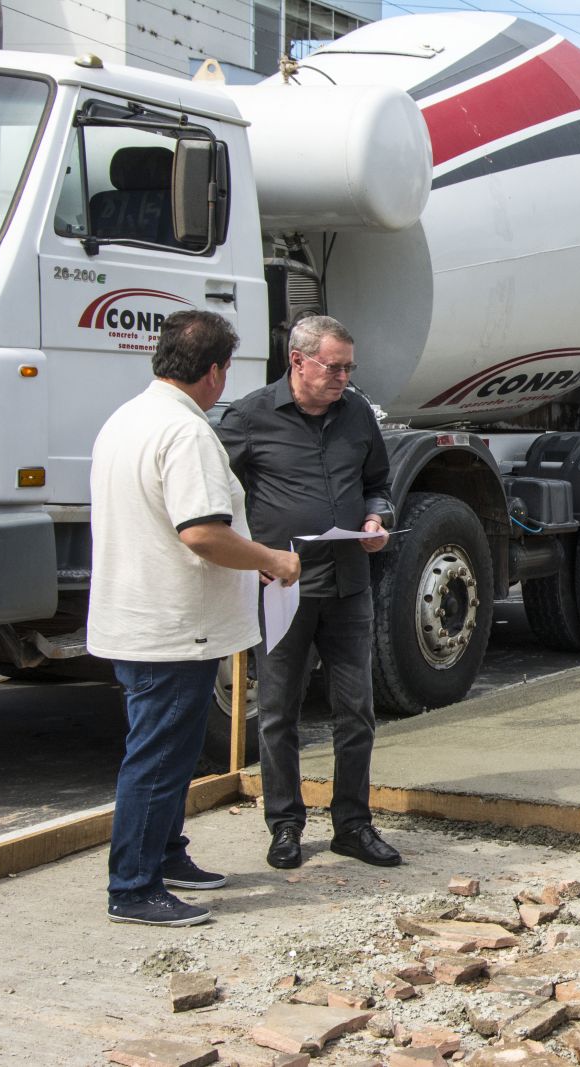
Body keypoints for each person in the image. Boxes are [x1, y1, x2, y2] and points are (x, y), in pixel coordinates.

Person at [89, 310, 301, 926]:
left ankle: (167, 853)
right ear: (214, 371)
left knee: (167, 753)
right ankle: (133, 887)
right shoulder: (186, 433)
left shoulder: (127, 417)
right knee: (157, 758)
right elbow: (202, 533)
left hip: (137, 614)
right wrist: (271, 560)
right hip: (174, 627)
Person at [216, 315, 400, 871]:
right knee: (278, 711)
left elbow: (378, 486)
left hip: (348, 587)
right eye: (333, 367)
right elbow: (211, 489)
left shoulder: (357, 413)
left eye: (349, 368)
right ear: (298, 362)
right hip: (283, 589)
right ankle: (285, 825)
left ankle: (352, 824)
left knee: (356, 710)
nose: (343, 377)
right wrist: (244, 557)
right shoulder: (250, 417)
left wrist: (376, 520)